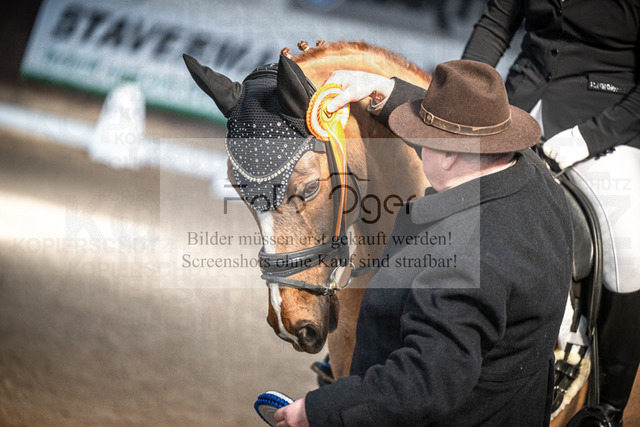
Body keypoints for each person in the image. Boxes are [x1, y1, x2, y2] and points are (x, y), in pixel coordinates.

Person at [274, 60, 573, 426]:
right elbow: (462, 131)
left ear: (447, 154)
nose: (414, 142)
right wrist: (381, 90)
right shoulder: (534, 175)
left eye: (422, 137)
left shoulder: (460, 258)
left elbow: (424, 383)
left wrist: (318, 411)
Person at [461, 1, 640, 424]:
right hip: (516, 106)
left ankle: (607, 408)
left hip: (606, 122)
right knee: (428, 196)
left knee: (630, 250)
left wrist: (588, 138)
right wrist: (459, 95)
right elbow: (496, 24)